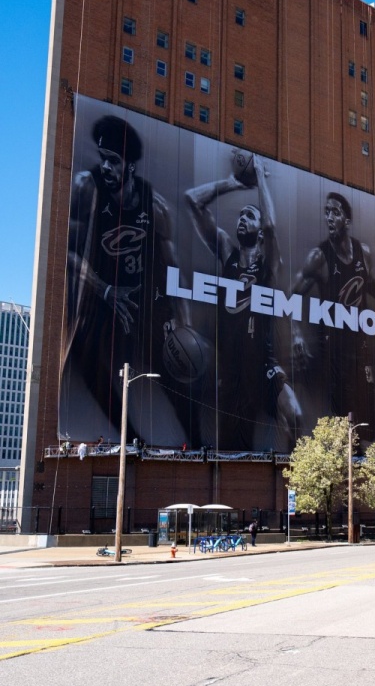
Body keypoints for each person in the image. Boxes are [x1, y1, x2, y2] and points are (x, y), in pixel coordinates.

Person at [62, 113, 192, 445]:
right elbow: (67, 253)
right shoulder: (84, 187)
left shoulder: (157, 207)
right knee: (83, 355)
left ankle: (193, 438)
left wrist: (184, 324)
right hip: (100, 295)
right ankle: (130, 439)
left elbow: (172, 269)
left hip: (142, 300)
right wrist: (105, 290)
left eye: (114, 162)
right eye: (103, 159)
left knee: (177, 363)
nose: (105, 167)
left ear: (130, 167)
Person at [185, 154, 301, 451]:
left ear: (260, 232)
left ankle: (298, 480)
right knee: (232, 450)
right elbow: (192, 200)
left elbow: (273, 227)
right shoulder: (227, 252)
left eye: (249, 215)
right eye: (239, 215)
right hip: (232, 370)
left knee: (296, 416)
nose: (241, 219)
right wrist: (231, 184)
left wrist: (260, 175)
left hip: (264, 363)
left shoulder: (269, 263)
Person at [291, 192, 375, 432]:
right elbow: (292, 296)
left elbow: (368, 285)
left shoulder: (363, 252)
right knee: (343, 423)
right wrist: (296, 333)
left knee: (370, 424)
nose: (328, 217)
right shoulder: (319, 257)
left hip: (361, 348)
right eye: (326, 212)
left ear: (347, 220)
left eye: (335, 212)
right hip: (333, 352)